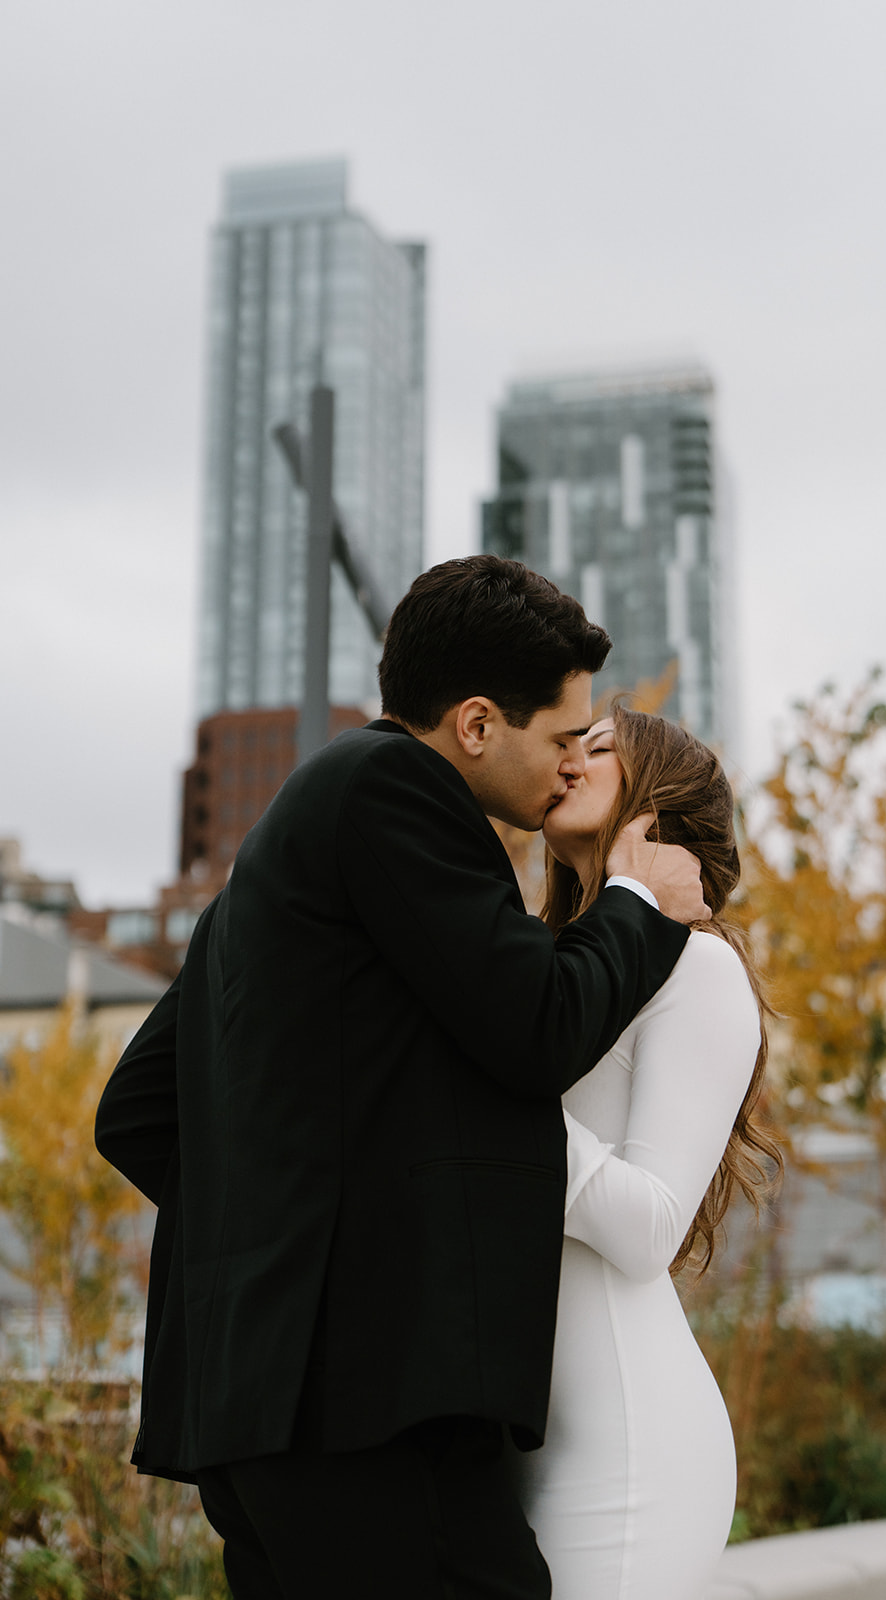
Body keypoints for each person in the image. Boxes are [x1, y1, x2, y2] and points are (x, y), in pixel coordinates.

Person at [94, 555, 709, 1600]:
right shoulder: (394, 790)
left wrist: (283, 1247)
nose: (569, 766)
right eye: (561, 738)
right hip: (366, 1419)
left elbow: (139, 1110)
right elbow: (536, 1024)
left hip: (258, 1424)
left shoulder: (274, 866)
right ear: (475, 724)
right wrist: (638, 907)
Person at [510, 703, 780, 1600]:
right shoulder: (559, 970)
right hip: (525, 1435)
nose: (569, 758)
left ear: (655, 801)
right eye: (565, 744)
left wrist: (487, 1107)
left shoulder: (699, 969)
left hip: (629, 1452)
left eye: (598, 747)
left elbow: (650, 1227)